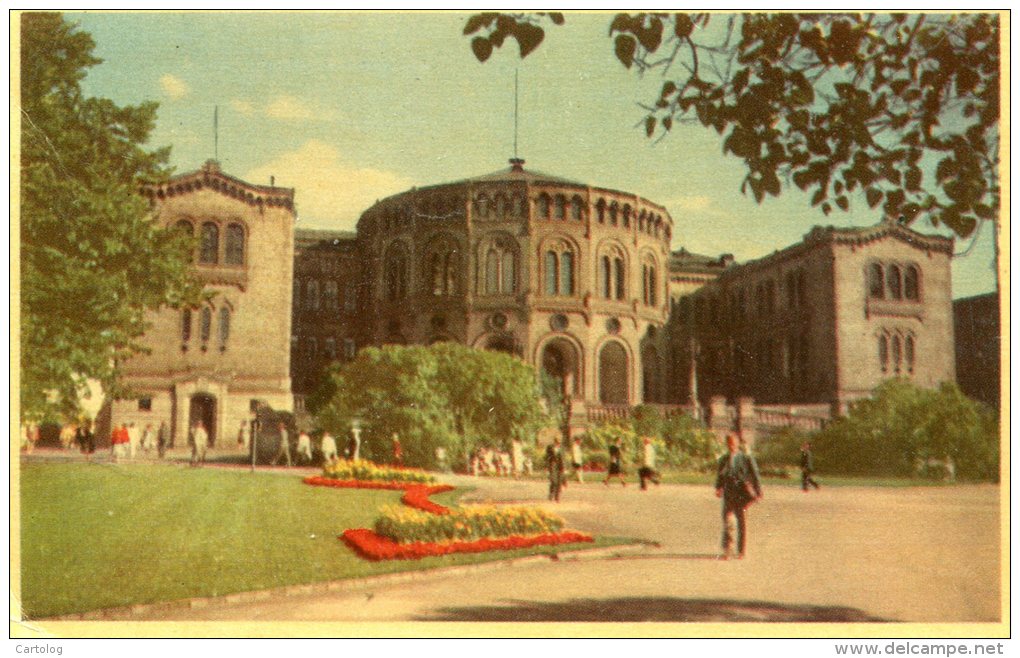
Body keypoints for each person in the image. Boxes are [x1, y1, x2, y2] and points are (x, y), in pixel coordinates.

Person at [715, 433, 763, 560]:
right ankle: (728, 550)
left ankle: (741, 550)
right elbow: (720, 475)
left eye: (733, 443)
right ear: (727, 444)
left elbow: (755, 474)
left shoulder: (745, 458)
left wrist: (758, 491)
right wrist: (718, 487)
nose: (731, 445)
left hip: (741, 494)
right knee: (728, 522)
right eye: (729, 443)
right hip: (728, 494)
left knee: (741, 523)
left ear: (737, 444)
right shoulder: (723, 459)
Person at [545, 438, 565, 502]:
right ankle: (551, 493)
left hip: (560, 466)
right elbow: (547, 457)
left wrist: (564, 467)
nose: (558, 443)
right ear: (555, 442)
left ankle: (557, 496)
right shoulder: (550, 447)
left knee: (559, 481)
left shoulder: (562, 448)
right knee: (553, 481)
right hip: (552, 465)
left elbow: (563, 458)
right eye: (557, 442)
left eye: (559, 442)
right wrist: (546, 466)